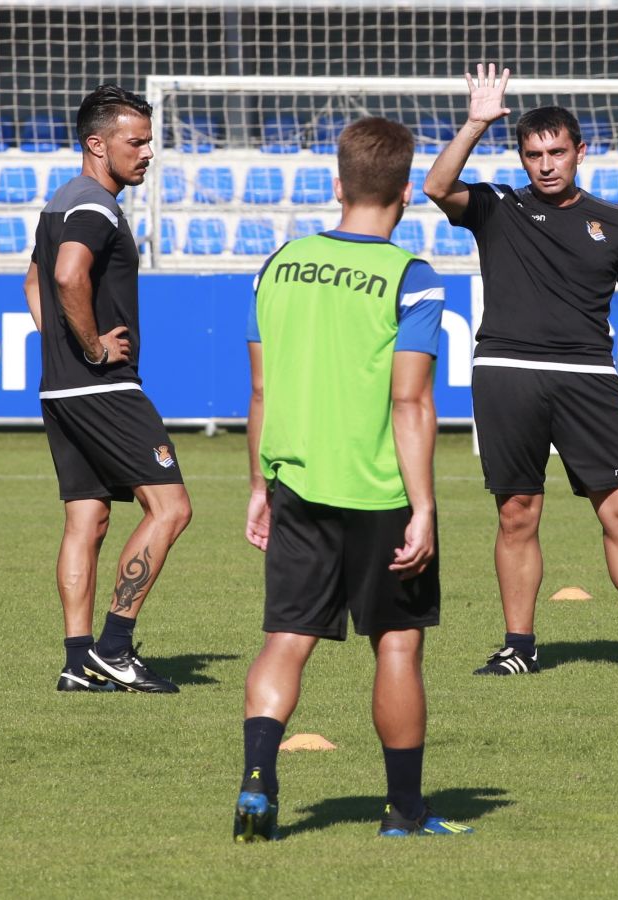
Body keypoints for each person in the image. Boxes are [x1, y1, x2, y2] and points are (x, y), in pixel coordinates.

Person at [424, 63, 618, 675]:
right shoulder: (496, 206)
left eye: (557, 152)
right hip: (508, 372)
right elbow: (438, 187)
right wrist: (475, 123)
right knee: (518, 511)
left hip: (588, 380)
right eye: (533, 154)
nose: (545, 164)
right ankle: (518, 647)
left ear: (580, 151)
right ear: (520, 158)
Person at [236, 117, 472, 842]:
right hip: (378, 492)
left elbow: (261, 393)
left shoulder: (277, 263)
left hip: (296, 484)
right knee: (397, 644)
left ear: (337, 185)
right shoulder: (412, 277)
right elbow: (410, 401)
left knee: (285, 638)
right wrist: (424, 508)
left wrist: (257, 484)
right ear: (405, 191)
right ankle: (404, 813)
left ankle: (255, 782)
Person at [25, 83, 192, 694]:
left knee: (86, 520)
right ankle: (115, 647)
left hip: (60, 390)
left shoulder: (62, 201)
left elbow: (33, 283)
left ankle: (77, 659)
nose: (148, 152)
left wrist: (62, 350)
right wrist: (93, 348)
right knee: (171, 508)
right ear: (97, 144)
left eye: (150, 141)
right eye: (136, 141)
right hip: (103, 388)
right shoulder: (95, 205)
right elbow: (66, 275)